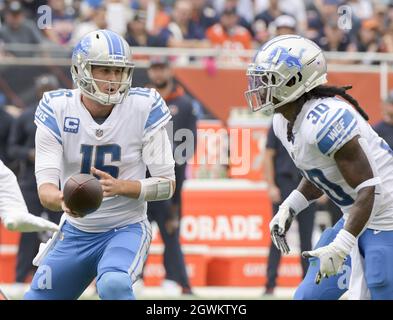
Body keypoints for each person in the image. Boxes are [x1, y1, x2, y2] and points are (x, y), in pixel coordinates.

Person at [24, 29, 175, 300]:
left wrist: (122, 187)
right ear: (81, 69)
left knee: (114, 284)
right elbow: (45, 189)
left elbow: (167, 184)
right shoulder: (57, 107)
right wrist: (63, 200)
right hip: (76, 231)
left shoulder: (143, 106)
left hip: (125, 227)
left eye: (119, 71)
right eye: (104, 70)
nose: (113, 80)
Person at [245, 35, 393, 300]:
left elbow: (370, 187)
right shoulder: (283, 121)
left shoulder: (325, 120)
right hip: (358, 214)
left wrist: (342, 245)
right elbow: (320, 172)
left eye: (268, 78)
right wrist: (291, 205)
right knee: (308, 296)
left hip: (387, 215)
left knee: (381, 284)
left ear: (294, 80)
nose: (260, 86)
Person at [145, 56, 197, 295]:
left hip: (169, 180)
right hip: (141, 180)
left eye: (161, 68)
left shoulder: (184, 103)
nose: (158, 73)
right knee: (135, 232)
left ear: (169, 70)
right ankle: (132, 277)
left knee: (171, 230)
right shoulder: (140, 101)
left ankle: (178, 281)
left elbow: (188, 145)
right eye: (154, 68)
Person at [8, 74, 62, 283]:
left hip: (58, 181)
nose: (46, 93)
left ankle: (60, 277)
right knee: (29, 230)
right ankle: (21, 277)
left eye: (51, 89)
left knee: (60, 230)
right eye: (43, 89)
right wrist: (30, 154)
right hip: (31, 181)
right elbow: (12, 147)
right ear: (37, 91)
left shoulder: (66, 116)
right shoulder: (26, 116)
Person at [263, 125, 316, 295]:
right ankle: (270, 284)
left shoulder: (308, 124)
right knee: (277, 234)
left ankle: (306, 284)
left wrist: (322, 187)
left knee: (306, 238)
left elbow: (318, 157)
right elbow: (269, 155)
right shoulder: (277, 124)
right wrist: (271, 185)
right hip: (284, 182)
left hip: (307, 184)